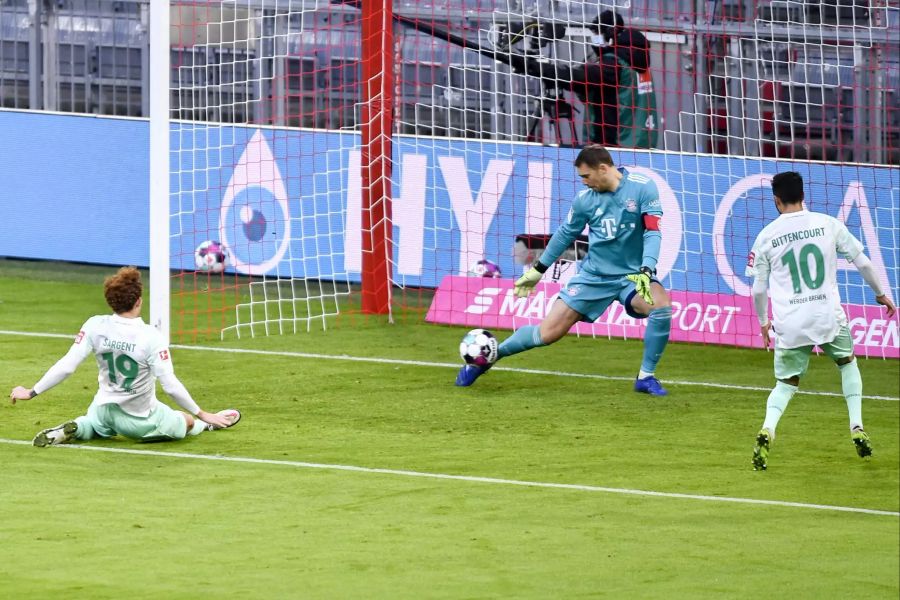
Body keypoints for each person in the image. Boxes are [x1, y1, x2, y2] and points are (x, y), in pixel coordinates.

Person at [455, 145, 673, 395]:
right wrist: (537, 271)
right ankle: (490, 357)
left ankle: (645, 377)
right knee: (548, 333)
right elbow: (564, 235)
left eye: (586, 176)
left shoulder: (643, 187)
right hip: (594, 277)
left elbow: (653, 232)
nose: (584, 182)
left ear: (603, 169)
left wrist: (646, 270)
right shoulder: (584, 200)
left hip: (633, 276)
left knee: (661, 307)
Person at [745, 171, 896, 470]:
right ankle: (856, 426)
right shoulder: (828, 224)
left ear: (776, 200)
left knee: (786, 382)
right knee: (847, 362)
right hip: (827, 315)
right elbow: (863, 261)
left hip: (790, 321)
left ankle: (768, 428)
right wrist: (880, 293)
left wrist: (763, 322)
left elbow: (759, 288)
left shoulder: (766, 236)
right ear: (803, 195)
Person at [8, 266, 241, 447]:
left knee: (94, 425)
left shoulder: (94, 325)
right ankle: (207, 425)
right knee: (185, 421)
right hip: (139, 420)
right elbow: (170, 386)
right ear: (139, 301)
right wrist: (201, 413)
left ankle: (78, 428)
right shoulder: (151, 336)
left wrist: (31, 391)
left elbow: (68, 366)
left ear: (110, 301)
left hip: (102, 409)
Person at [507, 10, 658, 149]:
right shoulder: (636, 58)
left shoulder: (614, 63)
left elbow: (580, 78)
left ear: (610, 33)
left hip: (615, 146)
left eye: (597, 32)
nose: (594, 38)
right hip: (642, 141)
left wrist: (538, 68)